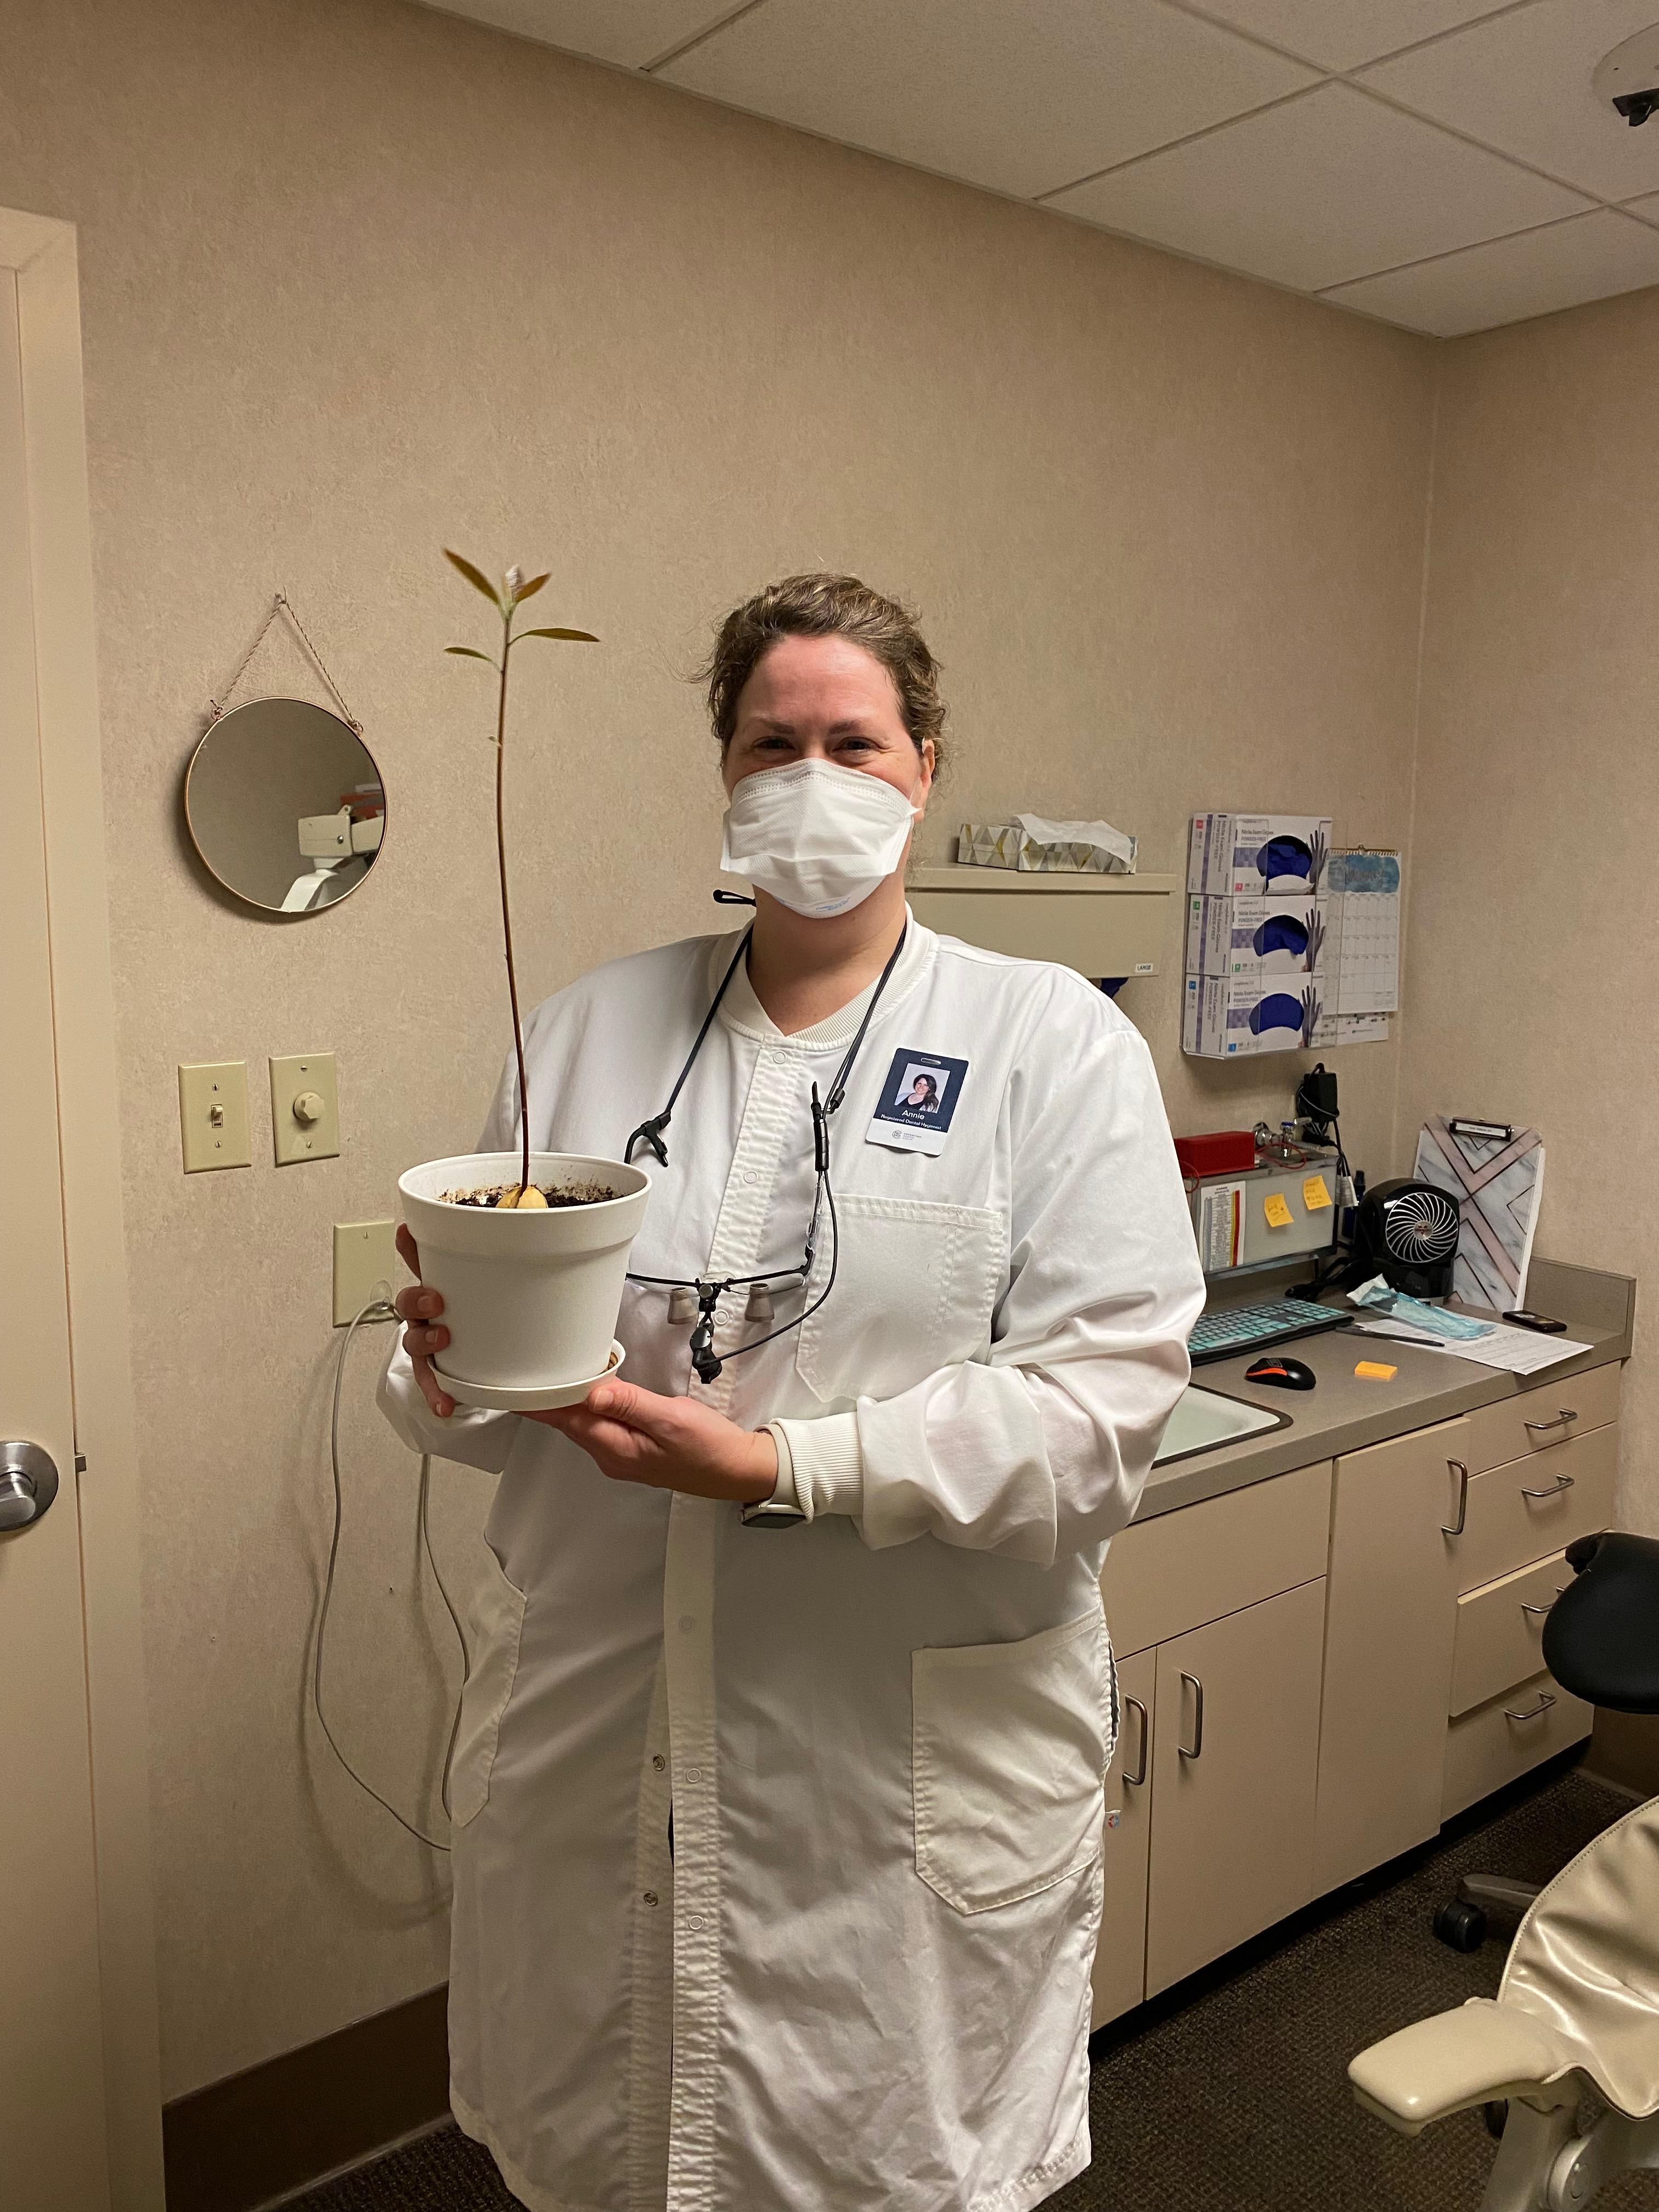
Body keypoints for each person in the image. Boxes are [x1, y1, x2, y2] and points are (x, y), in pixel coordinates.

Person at [380, 572, 1204, 2212]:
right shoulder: (590, 1032)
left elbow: (1106, 1414)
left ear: (923, 769)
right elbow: (467, 1402)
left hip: (883, 1776)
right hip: (607, 1728)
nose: (815, 778)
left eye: (856, 740)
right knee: (607, 2152)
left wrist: (783, 1466)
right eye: (776, 742)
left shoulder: (1049, 1044)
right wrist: (447, 1369)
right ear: (728, 774)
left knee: (871, 2164)